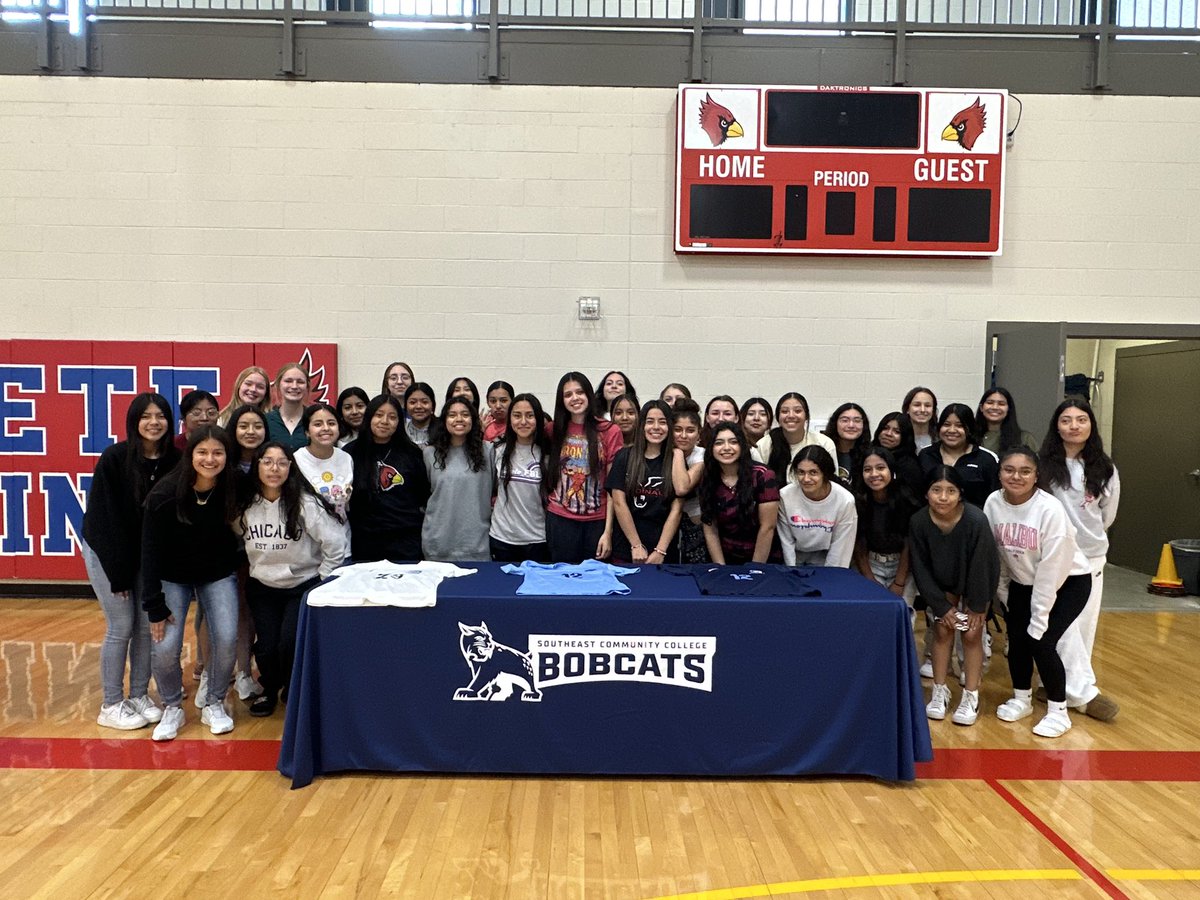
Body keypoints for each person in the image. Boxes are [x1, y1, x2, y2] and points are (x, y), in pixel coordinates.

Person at [82, 392, 179, 731]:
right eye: (146, 416)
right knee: (120, 626)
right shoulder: (115, 458)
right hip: (108, 553)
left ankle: (138, 695)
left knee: (144, 628)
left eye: (161, 416)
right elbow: (102, 522)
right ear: (134, 422)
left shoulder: (174, 460)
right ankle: (111, 703)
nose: (154, 422)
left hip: (145, 555)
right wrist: (119, 575)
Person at [141, 426, 241, 741]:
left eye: (218, 452)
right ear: (190, 454)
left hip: (218, 574)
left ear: (227, 456)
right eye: (202, 452)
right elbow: (150, 552)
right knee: (165, 646)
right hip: (172, 577)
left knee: (226, 638)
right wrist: (154, 605)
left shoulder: (234, 486)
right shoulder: (164, 494)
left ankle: (214, 702)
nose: (210, 459)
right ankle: (172, 706)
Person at [986, 447, 1094, 738]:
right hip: (1023, 582)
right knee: (1018, 639)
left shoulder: (1050, 509)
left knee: (1042, 640)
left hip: (1067, 582)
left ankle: (1059, 711)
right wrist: (1005, 592)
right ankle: (1022, 698)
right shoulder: (993, 502)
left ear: (1036, 476)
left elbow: (1052, 569)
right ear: (1000, 473)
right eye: (1009, 470)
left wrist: (1040, 615)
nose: (1016, 476)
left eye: (1025, 471)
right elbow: (996, 554)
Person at [236, 442, 348, 717]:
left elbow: (336, 544)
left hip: (302, 585)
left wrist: (321, 583)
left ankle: (291, 685)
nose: (274, 469)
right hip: (262, 586)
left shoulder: (304, 503)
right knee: (266, 646)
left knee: (289, 642)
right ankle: (269, 689)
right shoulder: (246, 503)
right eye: (267, 462)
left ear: (290, 467)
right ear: (257, 466)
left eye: (281, 462)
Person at [1038, 398, 1121, 721]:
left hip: (1090, 556)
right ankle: (1084, 693)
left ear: (1091, 425)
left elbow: (1107, 516)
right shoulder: (1044, 465)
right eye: (1066, 420)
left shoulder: (1105, 468)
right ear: (1056, 426)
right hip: (1051, 557)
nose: (1074, 426)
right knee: (1061, 626)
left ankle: (1065, 687)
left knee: (1083, 627)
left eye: (1081, 419)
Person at [910, 465, 1001, 727]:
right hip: (941, 585)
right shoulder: (919, 521)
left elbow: (983, 565)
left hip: (974, 585)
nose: (943, 497)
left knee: (971, 633)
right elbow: (920, 567)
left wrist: (976, 606)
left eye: (950, 491)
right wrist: (940, 605)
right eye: (936, 490)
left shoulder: (975, 520)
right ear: (926, 493)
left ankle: (971, 693)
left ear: (960, 494)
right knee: (942, 630)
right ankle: (940, 690)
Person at [545, 372, 624, 563]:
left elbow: (614, 487)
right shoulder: (553, 430)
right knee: (562, 582)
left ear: (589, 394)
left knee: (595, 585)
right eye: (568, 394)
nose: (575, 398)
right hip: (560, 520)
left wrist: (608, 531)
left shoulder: (609, 431)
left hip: (597, 522)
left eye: (579, 392)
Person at [344, 395, 431, 562]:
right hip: (364, 542)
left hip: (405, 541)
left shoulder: (412, 453)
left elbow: (423, 495)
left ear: (399, 422)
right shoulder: (351, 452)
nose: (385, 421)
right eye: (379, 415)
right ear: (369, 417)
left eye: (392, 417)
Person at [223, 403, 268, 700]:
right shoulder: (223, 462)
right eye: (244, 426)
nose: (250, 432)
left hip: (263, 551)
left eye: (257, 426)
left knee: (253, 614)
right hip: (227, 551)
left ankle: (249, 672)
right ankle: (226, 673)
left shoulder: (271, 461)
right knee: (228, 616)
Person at [608, 400, 684, 565]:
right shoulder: (624, 456)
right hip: (626, 547)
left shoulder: (676, 460)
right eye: (650, 421)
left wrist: (660, 550)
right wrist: (636, 545)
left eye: (662, 422)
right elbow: (619, 503)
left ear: (670, 427)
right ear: (641, 425)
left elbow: (676, 509)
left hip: (663, 550)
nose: (656, 427)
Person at [422, 396, 495, 562]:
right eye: (452, 415)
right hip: (438, 543)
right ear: (444, 420)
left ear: (473, 419)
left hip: (477, 545)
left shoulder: (488, 451)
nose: (459, 419)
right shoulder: (429, 454)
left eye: (465, 414)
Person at [699, 422, 781, 564]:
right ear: (711, 448)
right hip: (725, 557)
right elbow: (710, 528)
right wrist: (721, 567)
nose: (726, 448)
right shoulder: (708, 477)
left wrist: (754, 569)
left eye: (733, 442)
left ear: (742, 446)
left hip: (763, 558)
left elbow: (767, 527)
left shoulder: (763, 475)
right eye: (719, 443)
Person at [490, 393, 551, 563]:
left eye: (530, 416)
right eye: (517, 416)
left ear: (538, 419)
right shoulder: (497, 450)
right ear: (509, 420)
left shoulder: (548, 455)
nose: (523, 421)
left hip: (537, 540)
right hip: (502, 538)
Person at [854, 447, 919, 603]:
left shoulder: (907, 501)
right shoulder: (857, 502)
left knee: (902, 612)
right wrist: (869, 579)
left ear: (892, 470)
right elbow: (858, 544)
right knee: (871, 611)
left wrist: (899, 582)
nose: (874, 474)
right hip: (870, 564)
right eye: (867, 469)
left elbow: (908, 544)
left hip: (902, 566)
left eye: (881, 468)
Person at [776, 446, 857, 567]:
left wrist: (830, 579)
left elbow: (840, 549)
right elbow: (786, 542)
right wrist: (791, 572)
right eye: (801, 472)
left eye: (813, 472)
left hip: (826, 556)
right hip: (795, 556)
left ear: (826, 473)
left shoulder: (845, 500)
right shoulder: (785, 496)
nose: (806, 479)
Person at [917, 403, 999, 509]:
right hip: (930, 521)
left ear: (969, 429)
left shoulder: (986, 459)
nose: (952, 430)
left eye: (959, 426)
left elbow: (994, 499)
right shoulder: (925, 455)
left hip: (972, 522)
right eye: (946, 424)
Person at [293, 402, 354, 543]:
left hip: (343, 543)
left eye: (331, 423)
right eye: (318, 424)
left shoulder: (346, 458)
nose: (326, 428)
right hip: (308, 548)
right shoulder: (297, 459)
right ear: (307, 431)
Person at [752, 392, 837, 486]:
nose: (791, 416)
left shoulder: (824, 443)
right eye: (785, 411)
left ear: (806, 416)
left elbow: (832, 483)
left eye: (797, 411)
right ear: (778, 417)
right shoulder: (764, 445)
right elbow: (757, 485)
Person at [670, 399, 708, 563]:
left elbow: (682, 487)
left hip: (696, 525)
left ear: (699, 433)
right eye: (677, 430)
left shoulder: (702, 455)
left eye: (690, 430)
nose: (683, 436)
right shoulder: (660, 451)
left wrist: (677, 453)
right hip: (666, 521)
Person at [873, 412, 924, 497]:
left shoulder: (909, 465)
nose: (888, 434)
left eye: (897, 432)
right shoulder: (868, 454)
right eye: (885, 428)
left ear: (905, 436)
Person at [821, 402, 871, 488]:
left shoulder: (870, 454)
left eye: (857, 421)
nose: (851, 425)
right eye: (845, 420)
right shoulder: (823, 451)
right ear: (835, 423)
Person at [977, 387, 1038, 454]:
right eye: (990, 403)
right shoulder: (969, 436)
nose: (995, 407)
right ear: (981, 407)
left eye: (1001, 404)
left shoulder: (1025, 439)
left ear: (1008, 409)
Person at [265, 363, 311, 450]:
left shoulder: (314, 419)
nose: (294, 386)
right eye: (288, 381)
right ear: (278, 384)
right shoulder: (266, 420)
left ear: (307, 387)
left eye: (300, 382)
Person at [228, 405, 268, 475]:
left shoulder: (273, 464)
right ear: (234, 429)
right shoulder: (224, 463)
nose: (251, 432)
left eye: (258, 427)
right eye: (243, 426)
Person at [902, 386, 938, 451]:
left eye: (927, 405)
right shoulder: (898, 437)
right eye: (917, 405)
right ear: (907, 408)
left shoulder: (940, 439)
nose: (922, 410)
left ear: (933, 410)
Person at [403, 382, 437, 446]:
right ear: (405, 406)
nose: (418, 406)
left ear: (433, 405)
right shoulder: (401, 431)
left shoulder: (444, 430)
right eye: (413, 402)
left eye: (424, 402)